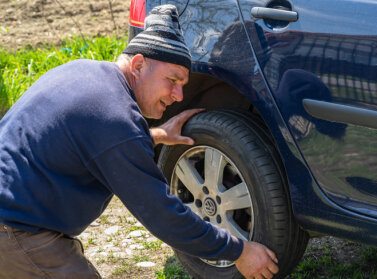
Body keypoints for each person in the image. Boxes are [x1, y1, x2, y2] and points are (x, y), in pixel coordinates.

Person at [0, 4, 279, 279]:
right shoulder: (114, 117)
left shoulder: (88, 76)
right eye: (172, 80)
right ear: (138, 65)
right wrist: (238, 250)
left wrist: (155, 135)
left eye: (183, 84)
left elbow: (90, 142)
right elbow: (161, 214)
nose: (179, 95)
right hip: (15, 230)